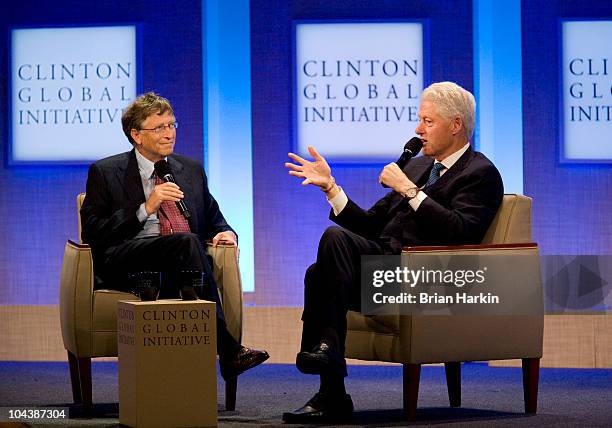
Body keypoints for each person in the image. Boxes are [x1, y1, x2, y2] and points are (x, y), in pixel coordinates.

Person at [282, 82, 504, 423]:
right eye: (420, 120)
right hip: (384, 273)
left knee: (326, 258)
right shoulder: (417, 167)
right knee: (322, 268)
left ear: (456, 125)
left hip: (426, 280)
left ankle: (331, 385)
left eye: (428, 121)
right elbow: (371, 225)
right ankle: (331, 379)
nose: (418, 129)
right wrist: (331, 188)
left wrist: (409, 190)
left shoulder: (480, 173)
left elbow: (462, 230)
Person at [80, 92, 268, 380]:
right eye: (159, 128)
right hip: (128, 263)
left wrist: (226, 234)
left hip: (181, 266)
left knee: (189, 246)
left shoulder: (189, 170)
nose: (169, 134)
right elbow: (94, 232)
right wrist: (145, 209)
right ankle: (229, 351)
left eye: (172, 125)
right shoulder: (105, 172)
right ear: (136, 135)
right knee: (188, 242)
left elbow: (214, 218)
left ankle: (209, 366)